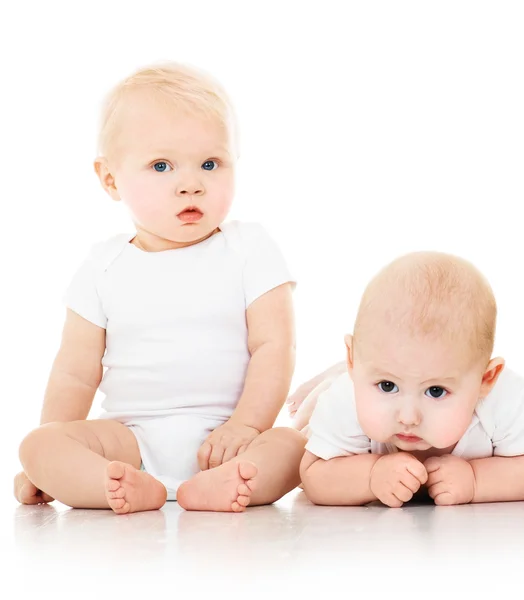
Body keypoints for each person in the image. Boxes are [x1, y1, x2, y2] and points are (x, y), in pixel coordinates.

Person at [14, 62, 305, 514]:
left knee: (293, 446)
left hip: (226, 440)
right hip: (130, 440)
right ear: (111, 179)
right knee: (38, 445)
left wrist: (247, 427)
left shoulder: (250, 249)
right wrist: (50, 460)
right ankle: (125, 486)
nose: (191, 184)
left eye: (211, 163)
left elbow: (275, 347)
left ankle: (214, 486)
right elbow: (74, 371)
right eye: (162, 165)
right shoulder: (102, 267)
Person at [296, 251, 524, 507]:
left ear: (486, 379)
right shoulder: (346, 400)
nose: (408, 417)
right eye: (387, 386)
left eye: (436, 391)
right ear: (353, 361)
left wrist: (476, 480)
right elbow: (313, 474)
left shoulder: (504, 401)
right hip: (331, 405)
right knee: (291, 445)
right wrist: (370, 476)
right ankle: (319, 388)